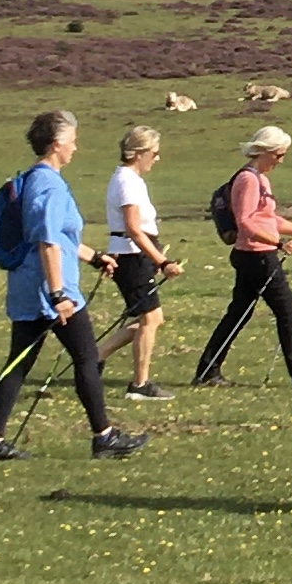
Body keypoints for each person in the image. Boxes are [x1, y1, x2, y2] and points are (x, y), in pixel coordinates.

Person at [0, 110, 148, 461]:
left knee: (19, 363)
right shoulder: (48, 185)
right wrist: (59, 295)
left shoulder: (36, 180)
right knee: (85, 358)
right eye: (72, 141)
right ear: (56, 145)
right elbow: (48, 242)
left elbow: (59, 238)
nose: (76, 148)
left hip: (29, 288)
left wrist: (93, 256)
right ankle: (104, 437)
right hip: (50, 292)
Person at [192, 126, 292, 389]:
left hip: (255, 255)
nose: (281, 161)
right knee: (286, 311)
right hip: (257, 256)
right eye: (279, 155)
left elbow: (268, 219)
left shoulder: (260, 179)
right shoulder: (248, 180)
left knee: (239, 313)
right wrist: (279, 244)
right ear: (265, 152)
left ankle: (207, 371)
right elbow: (246, 222)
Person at [96, 125, 183, 400]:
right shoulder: (127, 182)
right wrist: (163, 260)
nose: (157, 159)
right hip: (131, 256)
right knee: (150, 318)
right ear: (140, 153)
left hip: (137, 255)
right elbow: (133, 228)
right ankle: (139, 385)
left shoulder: (130, 179)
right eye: (154, 153)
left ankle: (94, 358)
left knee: (151, 318)